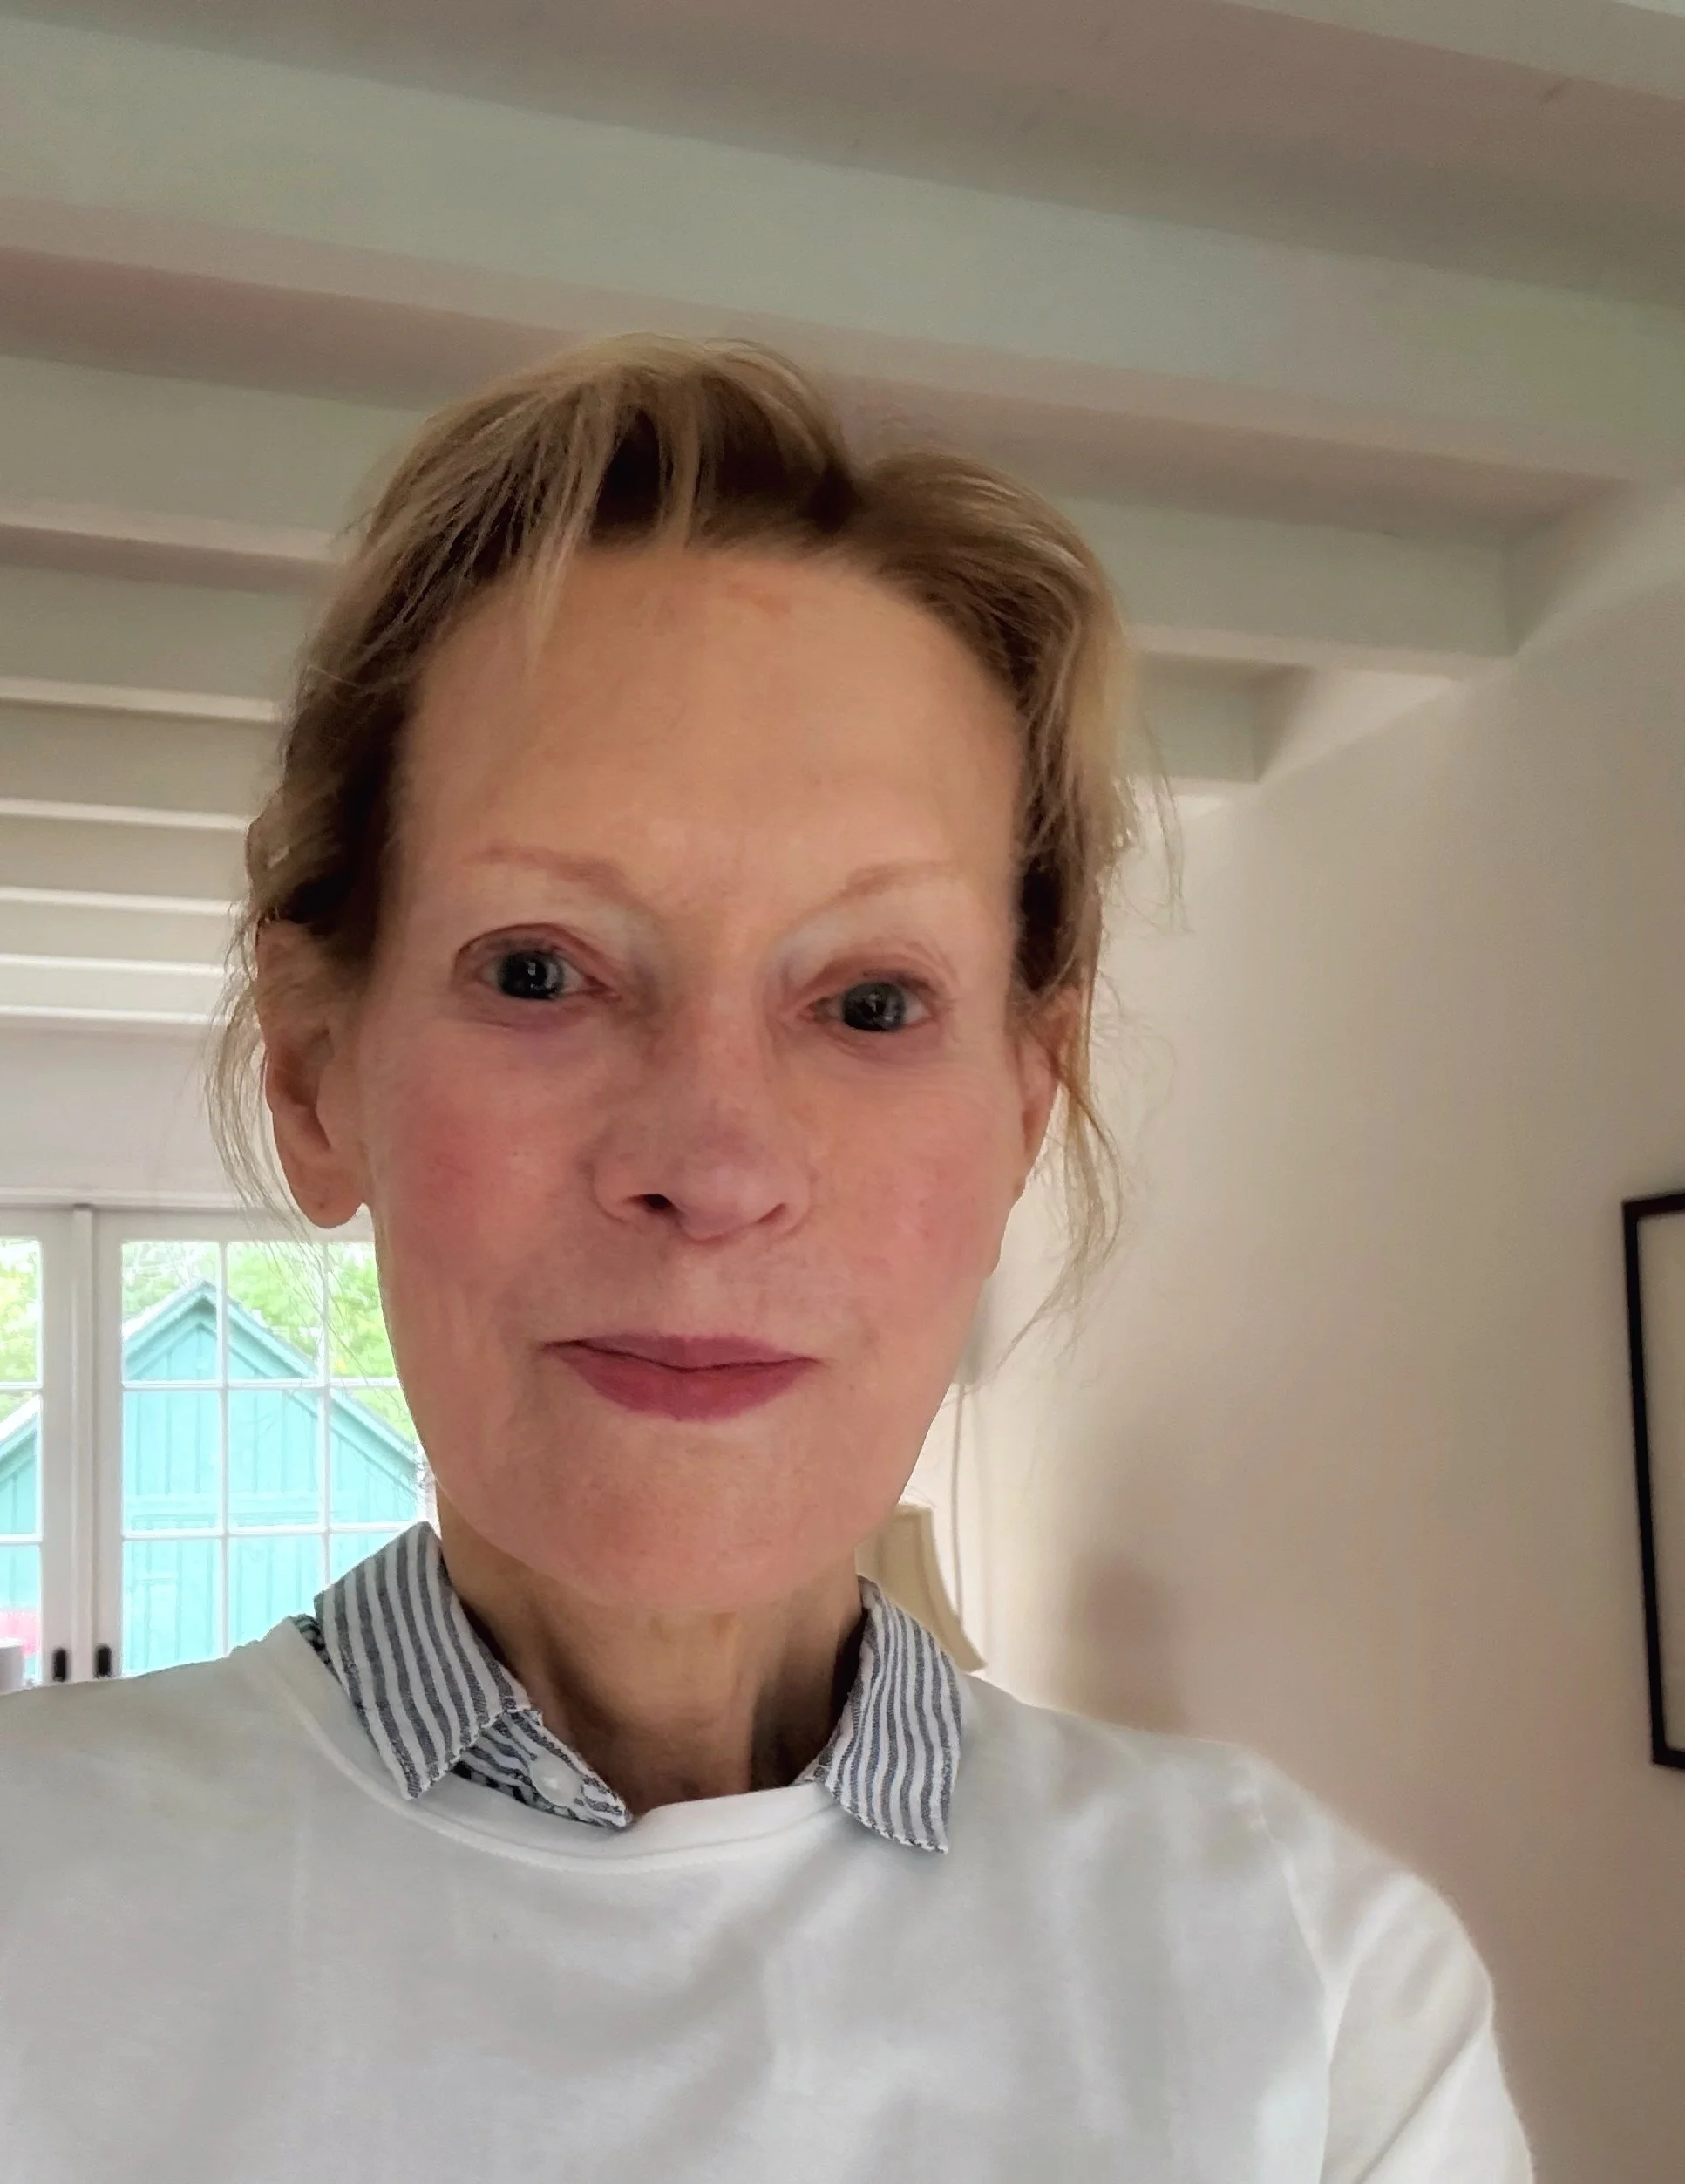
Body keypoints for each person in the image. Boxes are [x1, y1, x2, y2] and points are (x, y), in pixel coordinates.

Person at [0, 337, 1531, 2181]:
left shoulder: (1311, 1984)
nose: (714, 1169)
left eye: (871, 1001)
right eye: (540, 970)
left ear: (1025, 1105)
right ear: (318, 1069)